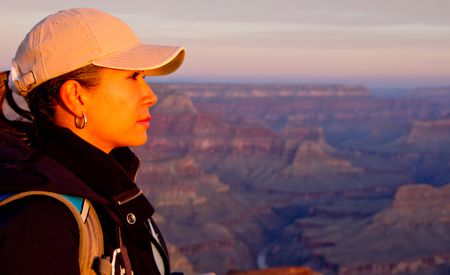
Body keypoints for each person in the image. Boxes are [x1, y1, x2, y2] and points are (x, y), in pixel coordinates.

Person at [0, 7, 185, 275]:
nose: (150, 96)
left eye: (143, 77)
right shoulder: (39, 223)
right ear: (76, 96)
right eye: (133, 77)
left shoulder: (104, 189)